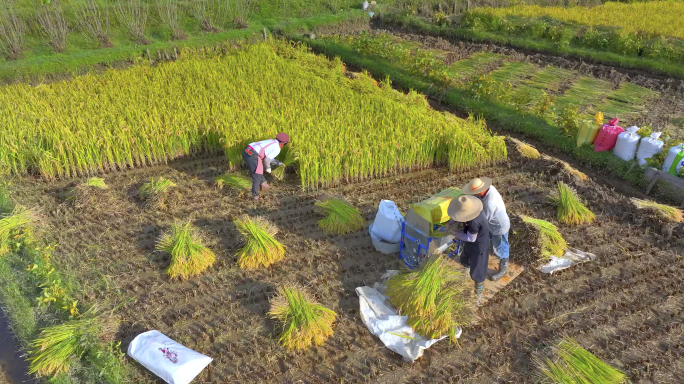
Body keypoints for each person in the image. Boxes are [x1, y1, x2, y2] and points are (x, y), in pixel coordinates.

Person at [461, 177, 511, 281]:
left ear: (480, 191)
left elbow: (483, 221)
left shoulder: (490, 204)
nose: (474, 194)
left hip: (498, 227)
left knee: (500, 247)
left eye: (475, 192)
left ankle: (502, 270)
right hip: (490, 222)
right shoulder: (489, 188)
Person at [447, 195, 490, 302]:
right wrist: (451, 222)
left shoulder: (475, 222)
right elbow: (459, 217)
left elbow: (470, 238)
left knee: (478, 271)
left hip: (479, 246)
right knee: (465, 258)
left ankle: (477, 295)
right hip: (470, 242)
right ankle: (465, 273)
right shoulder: (473, 210)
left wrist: (454, 232)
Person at [242, 133, 289, 200]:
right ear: (282, 143)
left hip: (247, 150)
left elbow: (269, 157)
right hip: (252, 155)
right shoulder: (277, 148)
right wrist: (268, 168)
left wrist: (279, 163)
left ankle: (264, 184)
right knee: (257, 176)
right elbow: (267, 159)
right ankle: (255, 195)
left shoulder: (272, 141)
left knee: (259, 169)